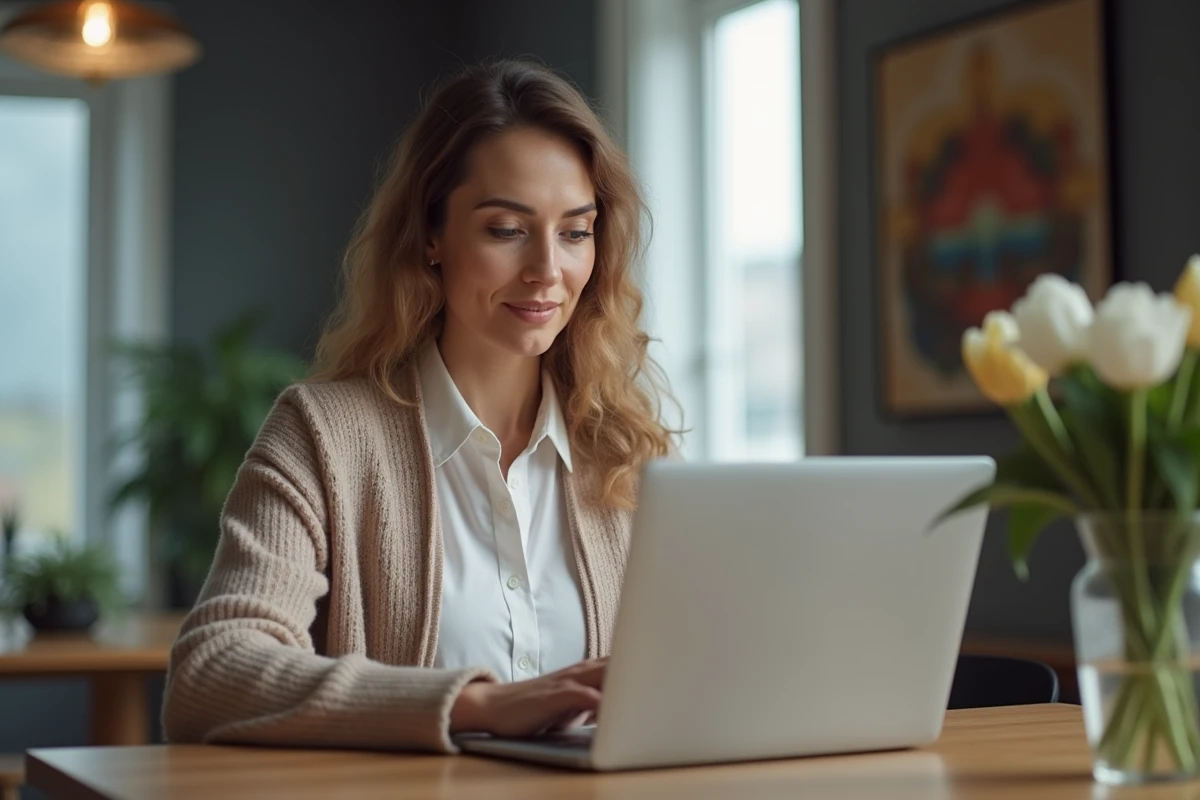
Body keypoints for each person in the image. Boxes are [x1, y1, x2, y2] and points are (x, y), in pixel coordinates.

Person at [161, 58, 679, 753]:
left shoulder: (631, 458)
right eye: (506, 229)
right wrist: (479, 705)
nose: (547, 271)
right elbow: (210, 676)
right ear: (431, 236)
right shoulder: (322, 437)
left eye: (575, 231)